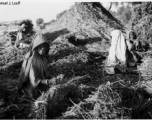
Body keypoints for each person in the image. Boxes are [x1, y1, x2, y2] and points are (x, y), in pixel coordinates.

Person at [17, 32, 57, 100]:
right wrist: (50, 81)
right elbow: (34, 82)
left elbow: (46, 74)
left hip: (42, 84)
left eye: (44, 46)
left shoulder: (43, 59)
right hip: (32, 89)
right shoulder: (32, 61)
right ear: (36, 46)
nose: (43, 48)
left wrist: (54, 78)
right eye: (40, 46)